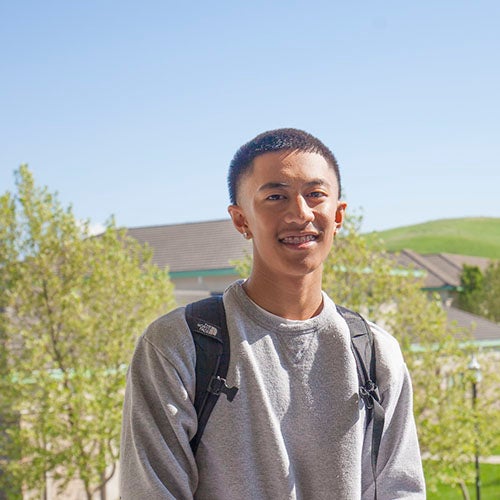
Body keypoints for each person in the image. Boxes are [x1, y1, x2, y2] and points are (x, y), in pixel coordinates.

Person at [119, 128, 426, 499]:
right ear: (240, 219)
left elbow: (399, 491)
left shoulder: (375, 353)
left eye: (316, 195)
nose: (300, 213)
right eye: (275, 196)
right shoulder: (178, 347)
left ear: (339, 214)